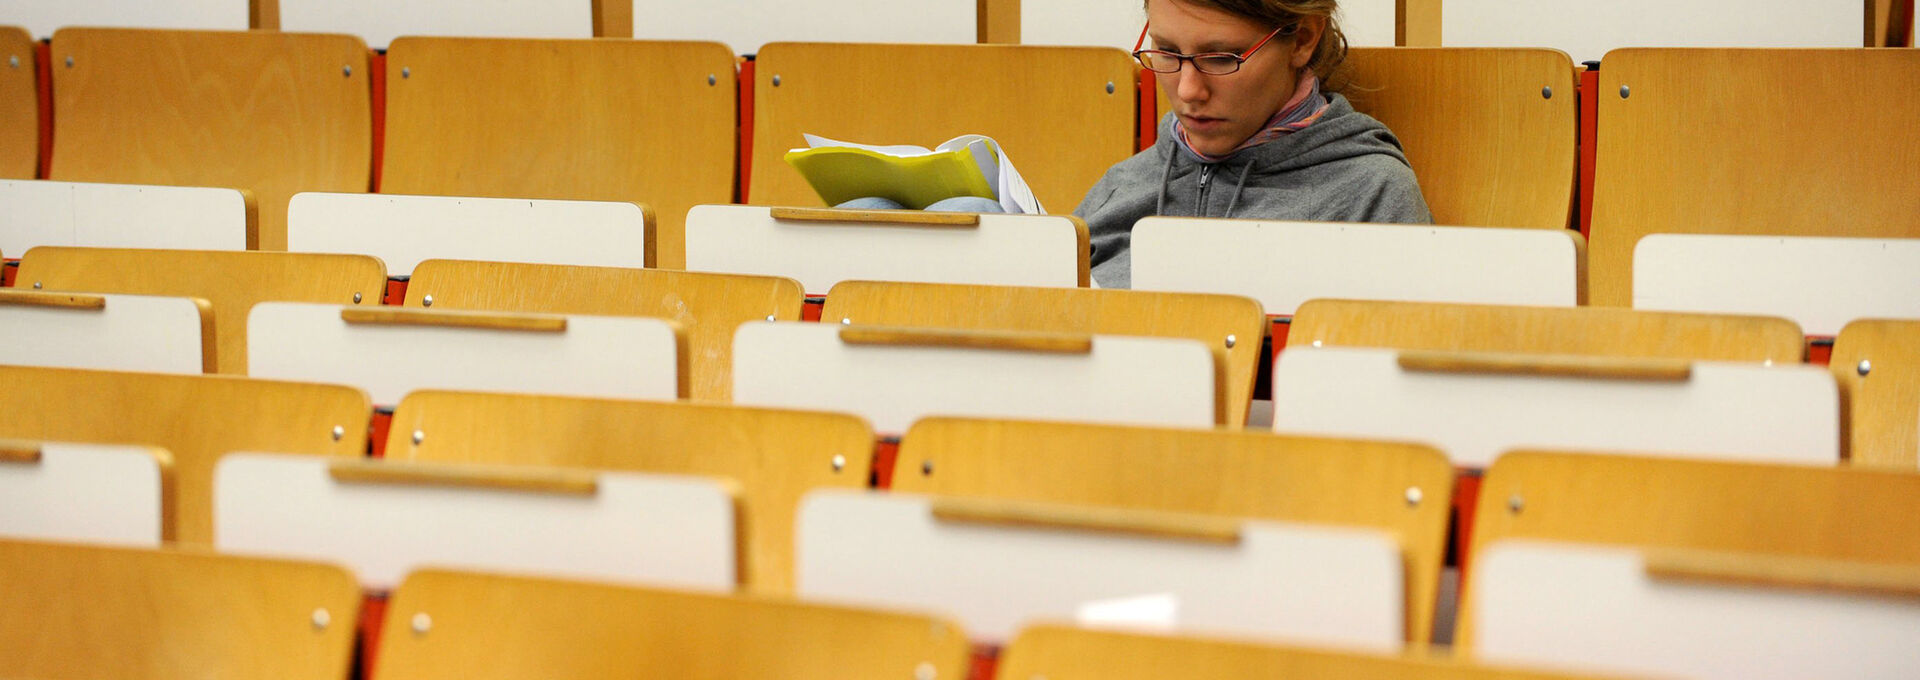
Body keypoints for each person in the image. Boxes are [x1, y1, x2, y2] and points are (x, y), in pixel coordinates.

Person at [1078, 0, 1431, 288]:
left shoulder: (1371, 195)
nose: (1187, 91)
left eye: (1221, 57)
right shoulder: (1123, 183)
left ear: (1302, 40)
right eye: (1168, 52)